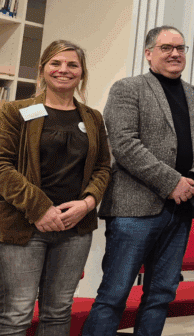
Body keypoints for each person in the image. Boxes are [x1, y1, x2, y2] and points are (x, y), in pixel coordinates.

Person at [83, 26, 194, 336]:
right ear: (148, 54)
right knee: (114, 295)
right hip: (134, 210)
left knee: (160, 296)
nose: (175, 53)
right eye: (166, 48)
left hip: (182, 210)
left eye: (181, 48)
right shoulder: (128, 89)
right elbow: (124, 144)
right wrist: (172, 182)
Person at [0, 40, 111, 335]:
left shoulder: (92, 117)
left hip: (74, 229)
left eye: (72, 65)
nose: (64, 70)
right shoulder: (14, 111)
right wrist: (40, 209)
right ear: (42, 70)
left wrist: (87, 203)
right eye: (56, 63)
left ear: (82, 72)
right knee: (17, 312)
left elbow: (102, 167)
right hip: (24, 226)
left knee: (59, 311)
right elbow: (2, 167)